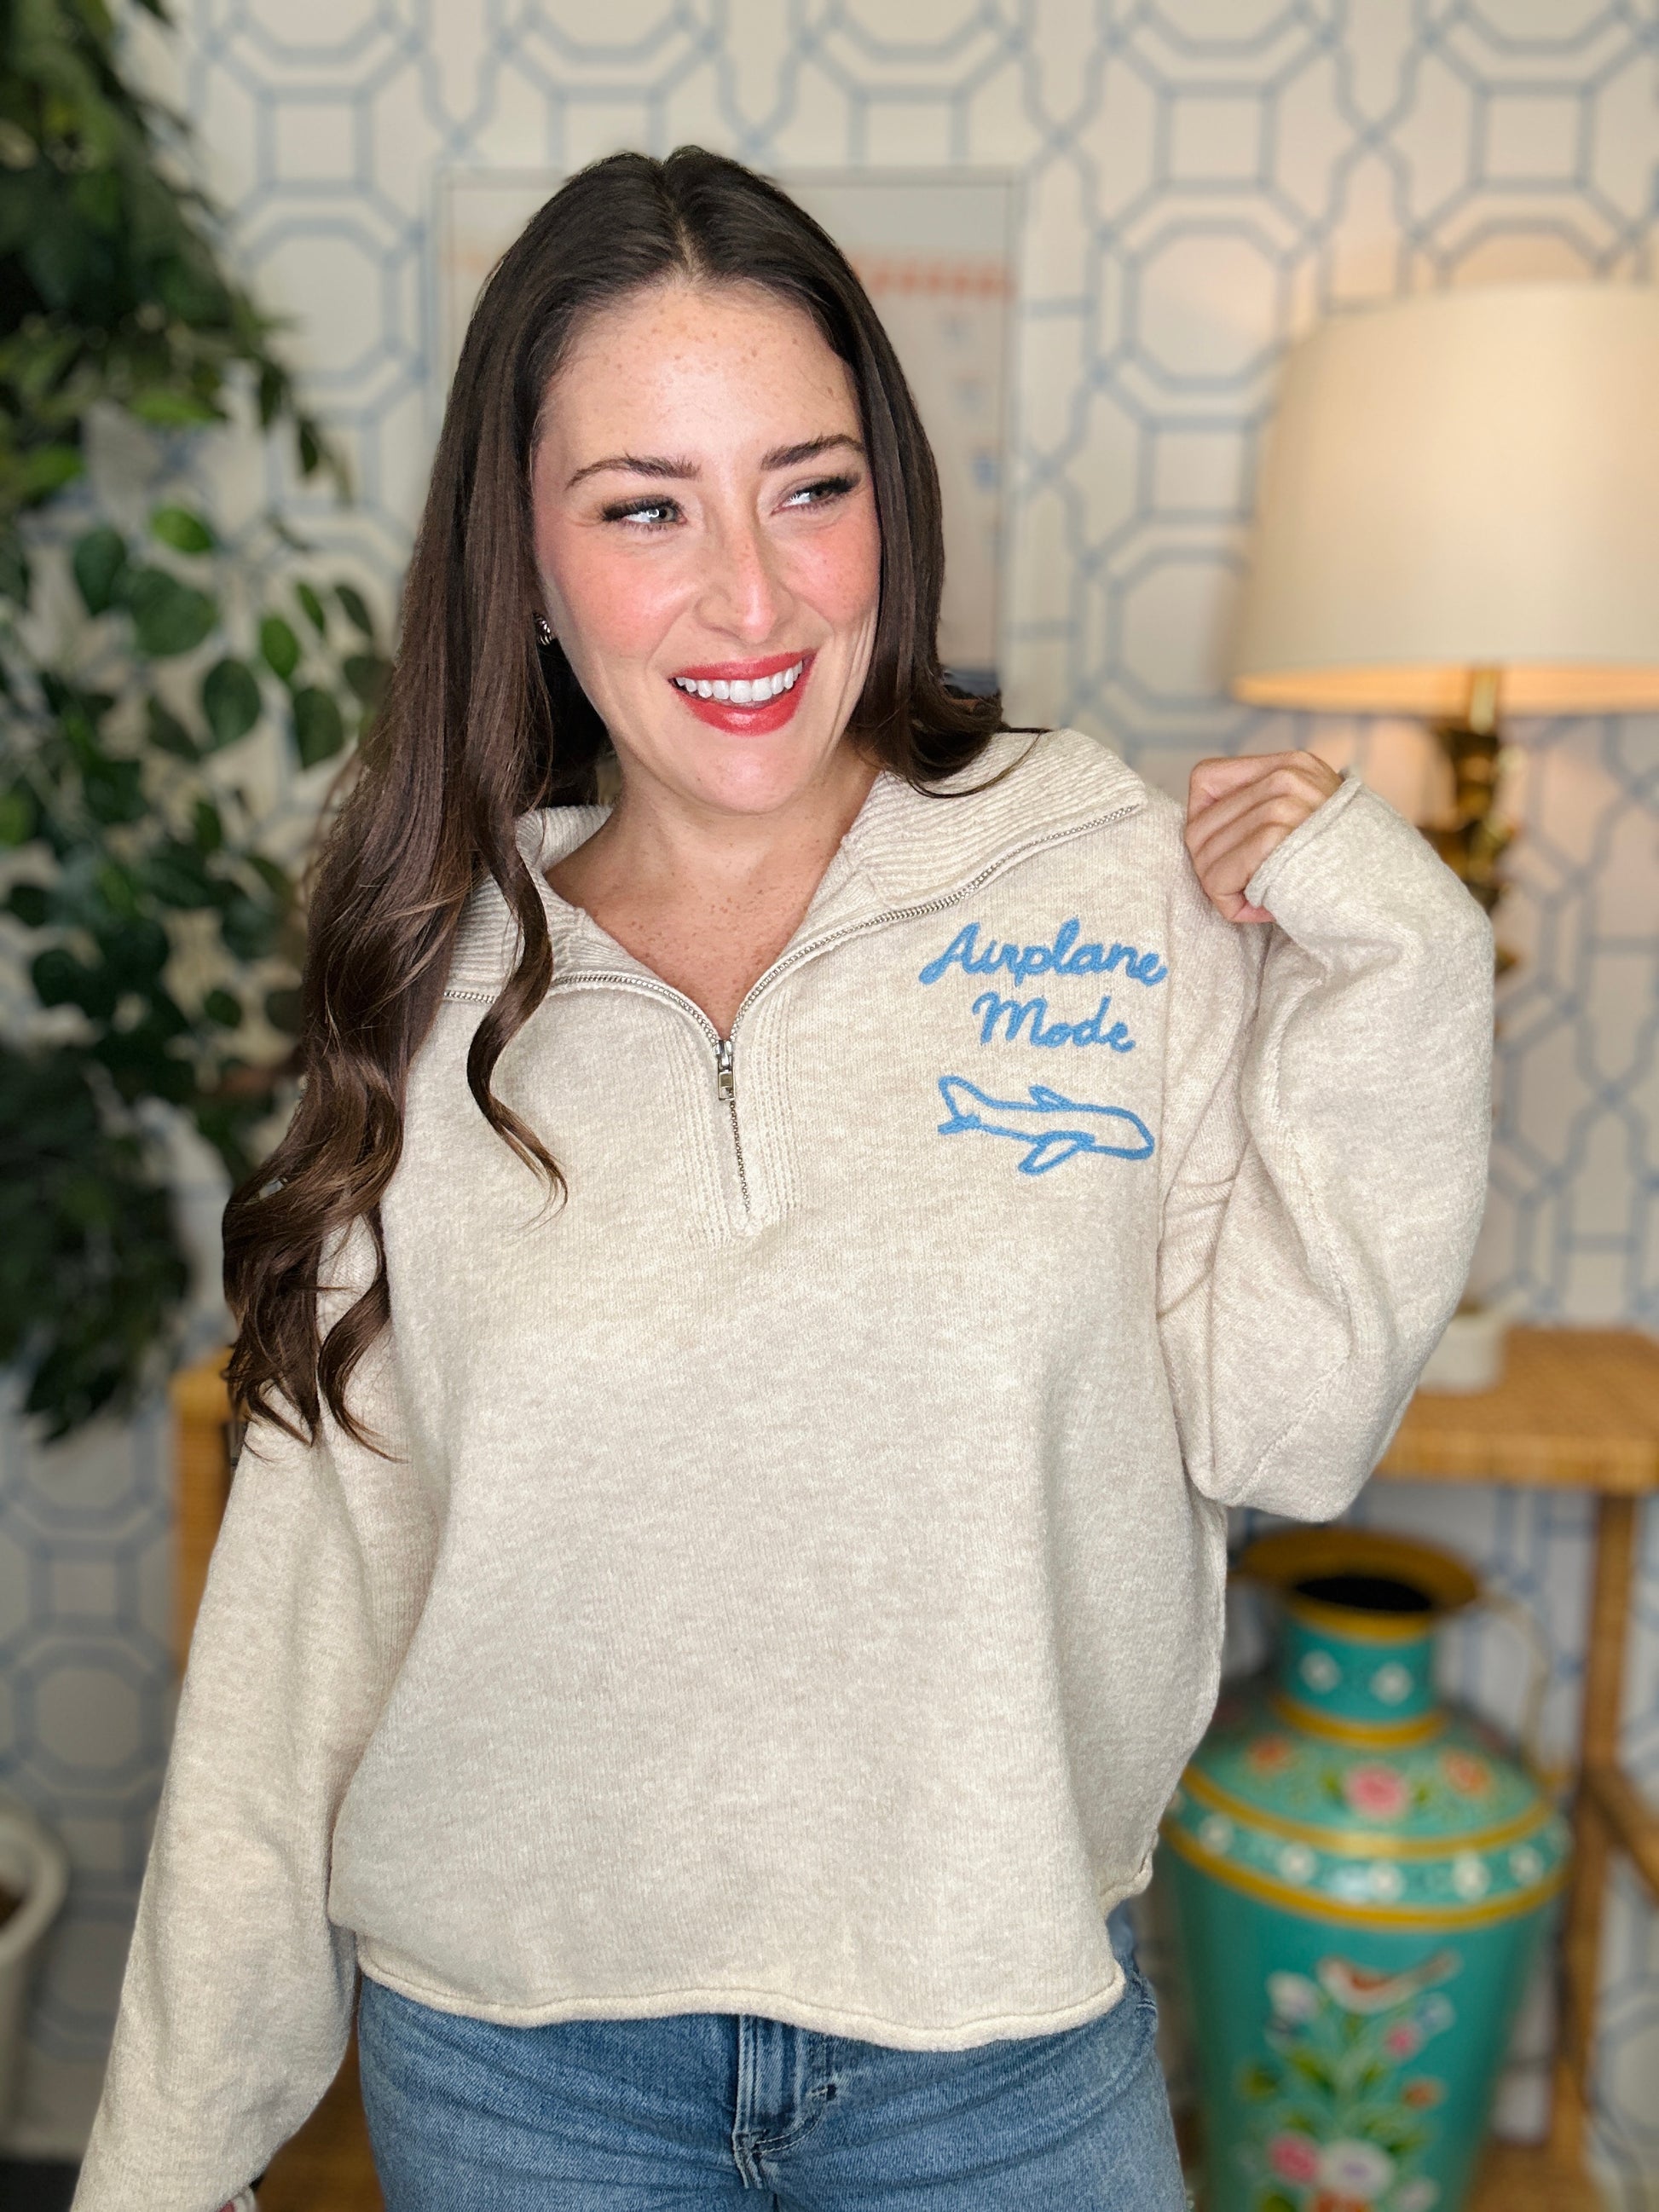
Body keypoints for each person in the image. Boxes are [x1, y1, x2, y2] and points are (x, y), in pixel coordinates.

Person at [72, 147, 1493, 2212]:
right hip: (518, 2075)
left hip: (1001, 2055)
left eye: (806, 487)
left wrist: (1401, 942)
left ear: (886, 504)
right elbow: (302, 1641)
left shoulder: (1095, 876)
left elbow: (1290, 1421)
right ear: (524, 559)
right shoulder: (430, 975)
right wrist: (167, 2162)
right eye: (643, 506)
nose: (750, 596)